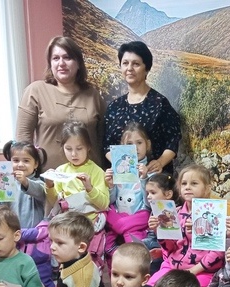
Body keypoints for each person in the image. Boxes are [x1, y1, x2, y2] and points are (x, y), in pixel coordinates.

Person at [16, 36, 105, 170]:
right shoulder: (35, 91)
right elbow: (23, 139)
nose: (61, 63)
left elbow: (102, 138)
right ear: (50, 63)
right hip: (48, 178)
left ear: (78, 63)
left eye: (67, 57)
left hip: (89, 178)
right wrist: (27, 172)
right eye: (56, 58)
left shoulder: (93, 95)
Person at [103, 41, 181, 176]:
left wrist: (160, 162)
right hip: (124, 181)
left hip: (155, 179)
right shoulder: (114, 107)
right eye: (125, 63)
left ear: (147, 68)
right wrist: (120, 165)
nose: (129, 68)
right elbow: (107, 145)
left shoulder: (159, 103)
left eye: (136, 64)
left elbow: (173, 140)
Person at [45, 120, 110, 270]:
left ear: (88, 147)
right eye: (68, 149)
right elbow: (54, 202)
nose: (74, 154)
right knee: (68, 267)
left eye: (79, 148)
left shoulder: (96, 171)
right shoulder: (61, 171)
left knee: (91, 267)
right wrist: (49, 185)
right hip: (67, 228)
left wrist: (89, 188)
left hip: (90, 227)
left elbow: (104, 204)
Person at [147, 165, 225, 287]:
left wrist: (193, 271)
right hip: (173, 267)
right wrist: (159, 230)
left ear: (207, 188)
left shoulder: (213, 216)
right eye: (184, 183)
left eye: (194, 183)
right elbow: (170, 248)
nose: (187, 187)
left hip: (202, 271)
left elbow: (218, 252)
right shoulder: (174, 213)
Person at [104, 122, 153, 262]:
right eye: (129, 144)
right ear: (122, 146)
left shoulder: (152, 173)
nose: (135, 148)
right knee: (107, 244)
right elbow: (111, 201)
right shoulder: (118, 171)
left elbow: (149, 204)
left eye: (139, 142)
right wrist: (110, 186)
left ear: (147, 145)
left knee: (136, 256)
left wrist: (144, 179)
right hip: (118, 220)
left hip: (139, 223)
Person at [2, 140, 48, 230]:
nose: (20, 164)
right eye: (16, 160)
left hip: (34, 231)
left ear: (35, 164)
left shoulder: (40, 182)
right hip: (12, 231)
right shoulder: (7, 183)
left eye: (26, 161)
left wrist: (25, 181)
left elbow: (41, 191)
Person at [142, 172, 178, 275]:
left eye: (153, 193)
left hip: (164, 244)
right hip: (154, 240)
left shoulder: (171, 211)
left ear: (168, 194)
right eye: (148, 193)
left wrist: (155, 229)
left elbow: (170, 238)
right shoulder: (155, 208)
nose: (149, 196)